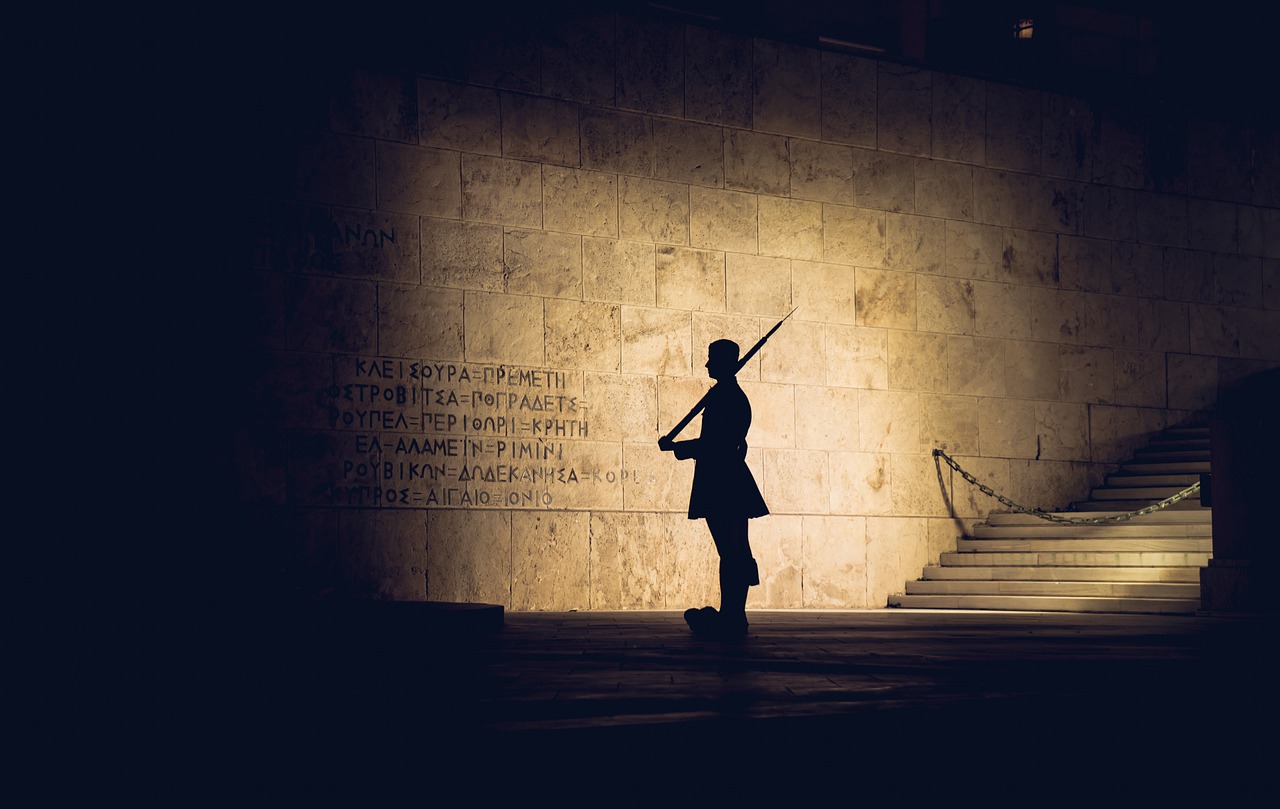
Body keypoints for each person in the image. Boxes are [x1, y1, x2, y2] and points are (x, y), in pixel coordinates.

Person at [659, 339, 769, 639]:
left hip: (724, 481)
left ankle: (733, 617)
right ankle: (733, 615)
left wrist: (676, 447)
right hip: (726, 478)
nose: (707, 365)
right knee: (733, 552)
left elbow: (717, 444)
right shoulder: (724, 395)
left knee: (732, 552)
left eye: (712, 359)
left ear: (724, 362)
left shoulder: (728, 397)